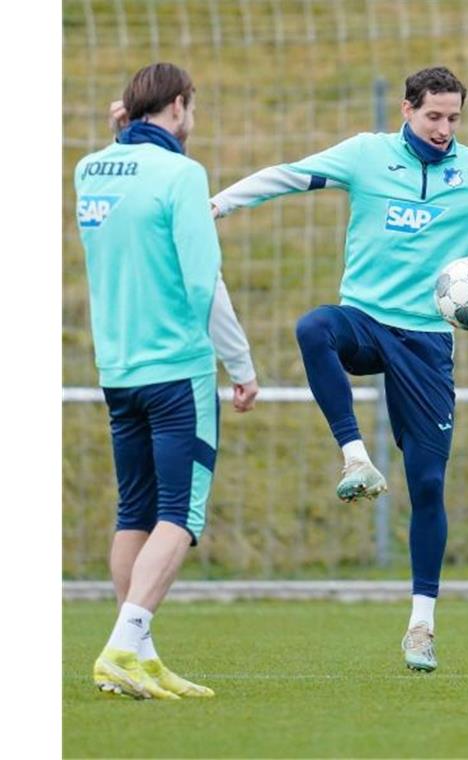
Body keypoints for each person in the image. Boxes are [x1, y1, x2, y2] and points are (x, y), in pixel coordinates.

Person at [204, 66, 468, 672]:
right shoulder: (366, 156)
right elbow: (285, 177)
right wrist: (216, 204)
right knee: (314, 326)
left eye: (454, 118)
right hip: (366, 321)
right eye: (434, 116)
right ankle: (353, 457)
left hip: (426, 343)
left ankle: (421, 626)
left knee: (427, 484)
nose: (445, 128)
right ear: (406, 109)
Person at [80, 62, 260, 699]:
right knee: (180, 516)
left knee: (135, 512)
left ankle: (141, 656)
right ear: (179, 105)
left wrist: (119, 132)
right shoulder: (183, 175)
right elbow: (201, 282)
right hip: (176, 369)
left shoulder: (90, 168)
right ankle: (122, 645)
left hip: (118, 369)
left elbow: (120, 159)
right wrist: (240, 366)